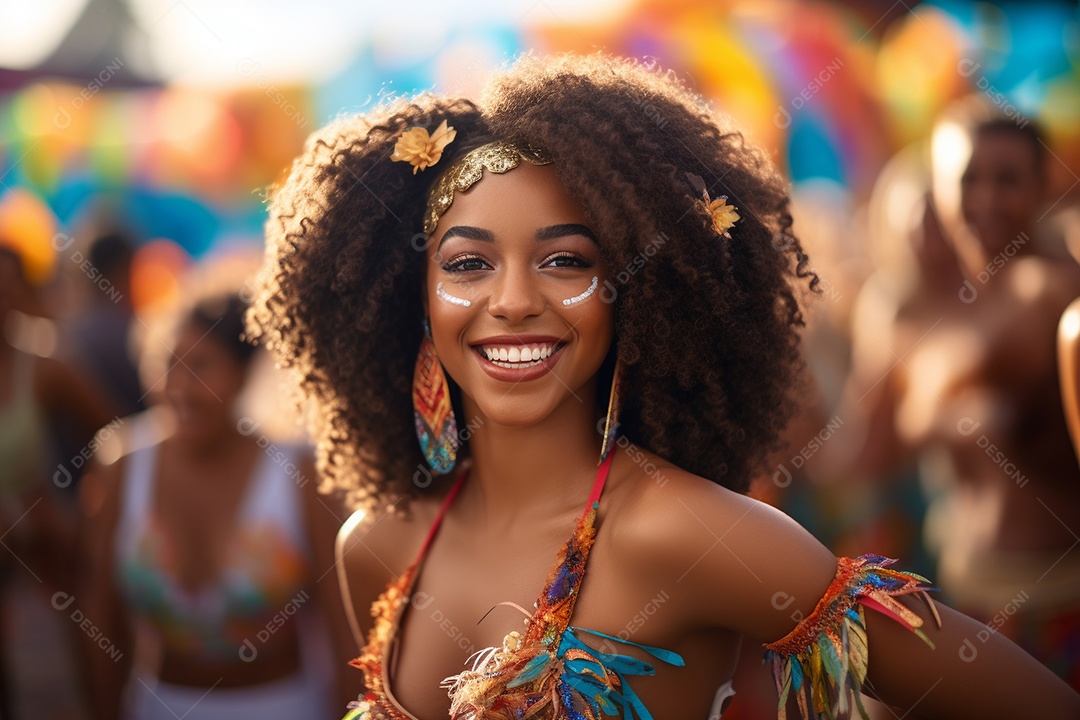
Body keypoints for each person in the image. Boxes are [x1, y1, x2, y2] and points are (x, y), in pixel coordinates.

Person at [247, 53, 1080, 719]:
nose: (514, 300)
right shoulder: (377, 546)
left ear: (633, 295)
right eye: (468, 264)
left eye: (565, 260)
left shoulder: (688, 533)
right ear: (414, 300)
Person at [78, 292, 356, 720]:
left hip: (286, 707)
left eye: (201, 367)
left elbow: (344, 628)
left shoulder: (298, 474)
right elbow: (100, 613)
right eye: (168, 365)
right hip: (157, 707)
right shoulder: (122, 464)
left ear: (243, 375)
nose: (180, 388)